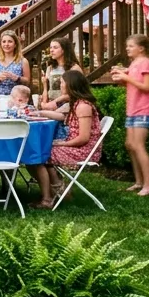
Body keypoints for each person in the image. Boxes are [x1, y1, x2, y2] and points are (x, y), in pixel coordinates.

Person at [29, 70, 101, 209]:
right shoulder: (76, 103)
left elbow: (83, 138)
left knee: (38, 155)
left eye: (62, 83)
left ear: (70, 85)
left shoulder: (83, 106)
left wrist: (63, 143)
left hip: (83, 150)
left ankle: (51, 197)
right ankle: (56, 192)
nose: (60, 85)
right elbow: (61, 116)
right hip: (75, 146)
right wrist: (40, 112)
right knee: (36, 154)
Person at [111, 33, 149, 196]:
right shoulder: (135, 63)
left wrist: (126, 77)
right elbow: (132, 84)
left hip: (144, 110)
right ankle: (139, 182)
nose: (127, 49)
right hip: (132, 109)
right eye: (127, 46)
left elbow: (147, 87)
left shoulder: (147, 63)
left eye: (131, 46)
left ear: (141, 48)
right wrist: (121, 78)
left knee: (138, 145)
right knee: (130, 145)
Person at [40, 38, 81, 110]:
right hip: (51, 105)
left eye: (55, 47)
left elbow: (77, 93)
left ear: (64, 50)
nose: (51, 50)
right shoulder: (50, 68)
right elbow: (47, 90)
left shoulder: (74, 68)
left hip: (68, 106)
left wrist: (55, 102)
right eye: (51, 47)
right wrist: (45, 103)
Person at [0, 32, 29, 97]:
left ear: (15, 44)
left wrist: (17, 78)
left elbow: (27, 81)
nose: (6, 44)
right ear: (1, 44)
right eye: (4, 42)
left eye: (10, 41)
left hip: (16, 98)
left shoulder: (23, 61)